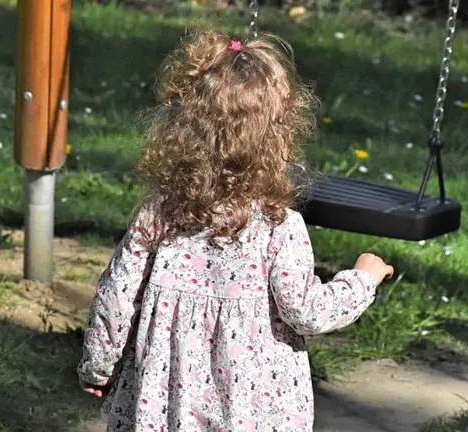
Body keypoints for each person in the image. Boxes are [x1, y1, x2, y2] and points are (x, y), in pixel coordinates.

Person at [76, 29, 394, 432]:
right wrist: (363, 278)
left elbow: (116, 299)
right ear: (280, 133)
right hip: (250, 413)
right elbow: (305, 311)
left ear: (181, 126)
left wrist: (98, 367)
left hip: (164, 408)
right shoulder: (279, 224)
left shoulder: (160, 212)